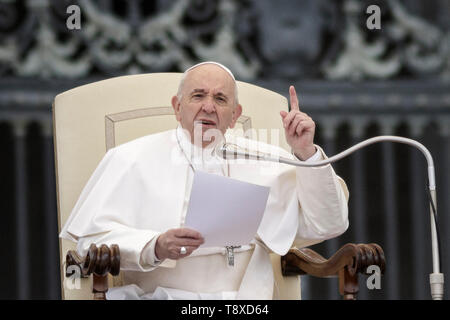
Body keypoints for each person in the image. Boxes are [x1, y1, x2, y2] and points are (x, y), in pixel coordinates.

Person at [60, 61, 349, 300]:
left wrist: (305, 153)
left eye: (220, 99)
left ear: (234, 116)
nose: (209, 107)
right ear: (177, 106)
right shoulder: (130, 158)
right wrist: (155, 245)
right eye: (198, 96)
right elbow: (91, 243)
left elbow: (329, 223)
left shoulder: (268, 160)